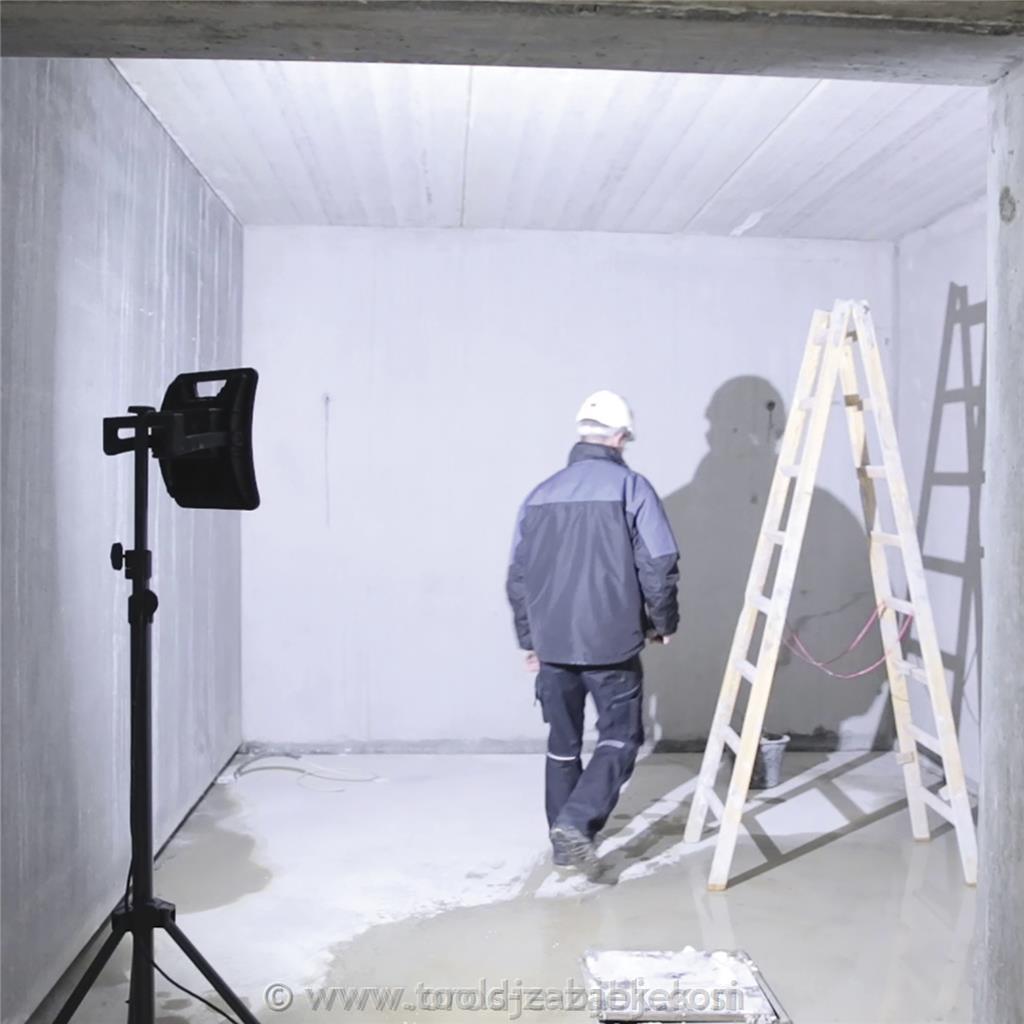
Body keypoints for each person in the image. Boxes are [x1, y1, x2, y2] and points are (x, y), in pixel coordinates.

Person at [506, 390, 680, 878]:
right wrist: (662, 623)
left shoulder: (540, 494)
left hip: (553, 645)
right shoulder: (632, 488)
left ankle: (564, 843)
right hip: (611, 642)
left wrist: (530, 640)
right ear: (620, 437)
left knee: (562, 742)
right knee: (619, 738)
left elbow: (518, 576)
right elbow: (659, 562)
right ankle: (576, 825)